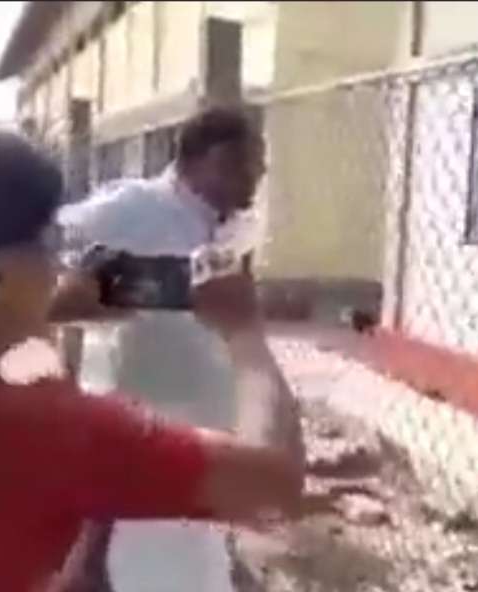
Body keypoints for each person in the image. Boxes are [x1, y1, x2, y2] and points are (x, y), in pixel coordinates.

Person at [0, 123, 306, 591]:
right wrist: (244, 331)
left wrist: (46, 313)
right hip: (162, 461)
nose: (61, 264)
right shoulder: (47, 430)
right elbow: (273, 487)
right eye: (49, 244)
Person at [51, 106, 302, 591]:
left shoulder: (236, 227)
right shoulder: (132, 209)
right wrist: (150, 290)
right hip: (142, 419)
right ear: (202, 160)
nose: (257, 175)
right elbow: (59, 288)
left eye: (260, 164)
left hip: (203, 429)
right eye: (244, 163)